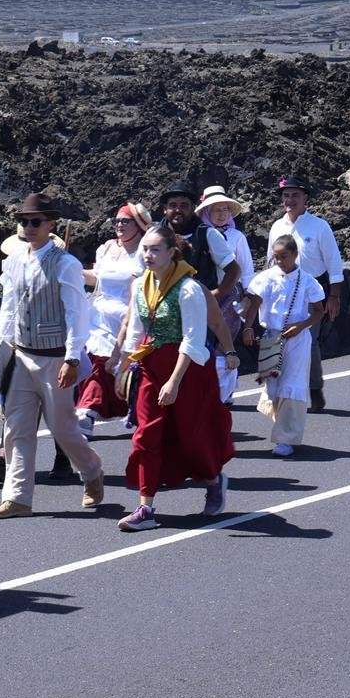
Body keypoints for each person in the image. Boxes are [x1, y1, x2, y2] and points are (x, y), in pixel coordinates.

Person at [0, 194, 106, 520]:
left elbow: (77, 313)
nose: (29, 227)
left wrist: (72, 358)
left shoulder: (65, 264)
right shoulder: (13, 262)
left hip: (54, 359)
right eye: (24, 221)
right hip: (22, 357)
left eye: (36, 221)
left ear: (50, 225)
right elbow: (7, 313)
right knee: (16, 429)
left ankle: (92, 470)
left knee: (63, 429)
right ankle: (18, 498)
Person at [115, 223, 228, 530]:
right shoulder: (140, 285)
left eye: (155, 249)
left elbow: (192, 340)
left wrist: (174, 381)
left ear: (171, 252)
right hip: (152, 367)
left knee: (192, 438)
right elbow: (136, 331)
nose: (148, 255)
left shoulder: (189, 288)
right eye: (145, 249)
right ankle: (145, 508)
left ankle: (214, 480)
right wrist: (123, 368)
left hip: (187, 371)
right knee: (145, 436)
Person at [265, 176, 345, 412]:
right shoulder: (277, 227)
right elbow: (271, 263)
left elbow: (334, 261)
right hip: (283, 292)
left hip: (312, 292)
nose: (290, 200)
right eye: (286, 196)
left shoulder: (319, 226)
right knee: (282, 341)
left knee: (308, 343)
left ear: (306, 199)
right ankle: (285, 391)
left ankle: (313, 388)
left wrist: (334, 296)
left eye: (295, 196)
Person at [243, 234, 327, 458]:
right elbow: (254, 304)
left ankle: (285, 438)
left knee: (292, 384)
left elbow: (319, 310)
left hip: (297, 340)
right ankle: (283, 424)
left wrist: (301, 326)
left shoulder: (307, 280)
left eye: (284, 257)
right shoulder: (266, 277)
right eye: (276, 256)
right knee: (275, 385)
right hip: (272, 337)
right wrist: (249, 327)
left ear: (295, 255)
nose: (279, 261)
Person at [76, 203, 149, 434]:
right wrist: (70, 270)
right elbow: (96, 279)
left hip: (125, 314)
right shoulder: (106, 248)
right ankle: (87, 412)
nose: (119, 225)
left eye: (125, 221)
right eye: (116, 221)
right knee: (94, 362)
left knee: (115, 365)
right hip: (97, 314)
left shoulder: (144, 252)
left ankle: (94, 410)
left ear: (138, 226)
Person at [196, 185, 256, 406]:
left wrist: (249, 295)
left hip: (230, 296)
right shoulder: (200, 235)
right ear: (206, 211)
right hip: (205, 293)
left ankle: (227, 389)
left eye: (225, 209)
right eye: (215, 209)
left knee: (226, 342)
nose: (221, 214)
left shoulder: (237, 237)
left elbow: (246, 267)